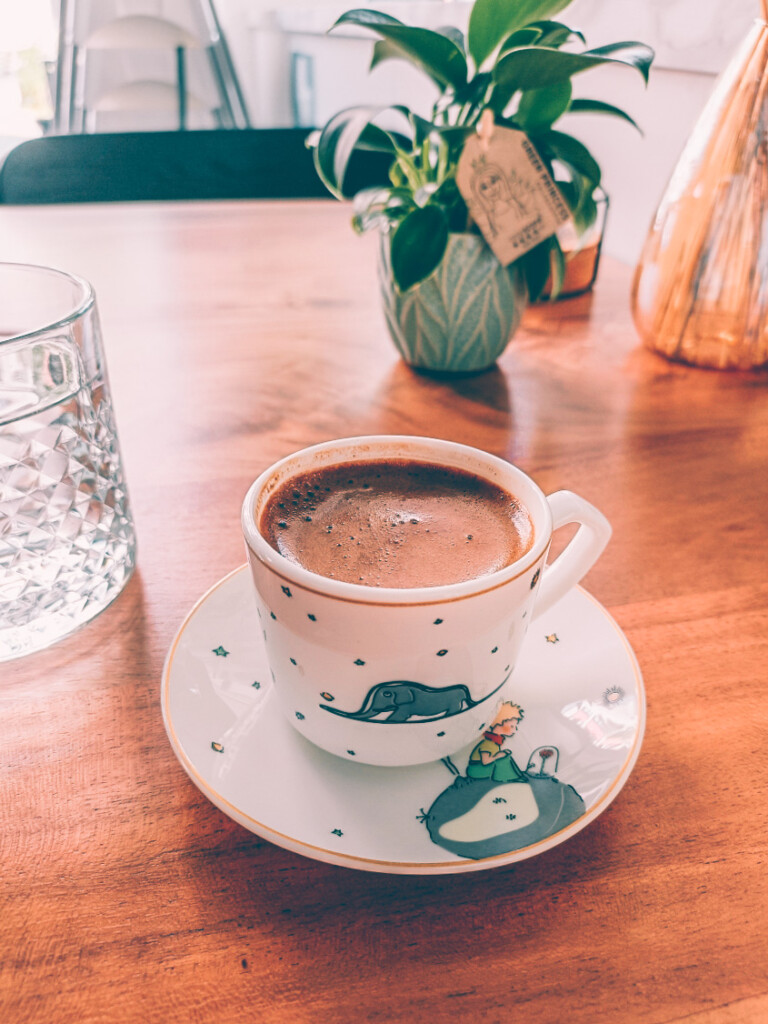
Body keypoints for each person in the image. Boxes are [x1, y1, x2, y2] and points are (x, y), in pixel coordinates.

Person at [466, 702, 527, 783]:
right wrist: (498, 755)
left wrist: (501, 754)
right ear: (499, 723)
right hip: (475, 770)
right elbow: (485, 761)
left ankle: (517, 775)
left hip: (479, 768)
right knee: (503, 760)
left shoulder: (495, 741)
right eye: (512, 726)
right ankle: (510, 777)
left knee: (506, 757)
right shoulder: (488, 743)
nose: (514, 730)